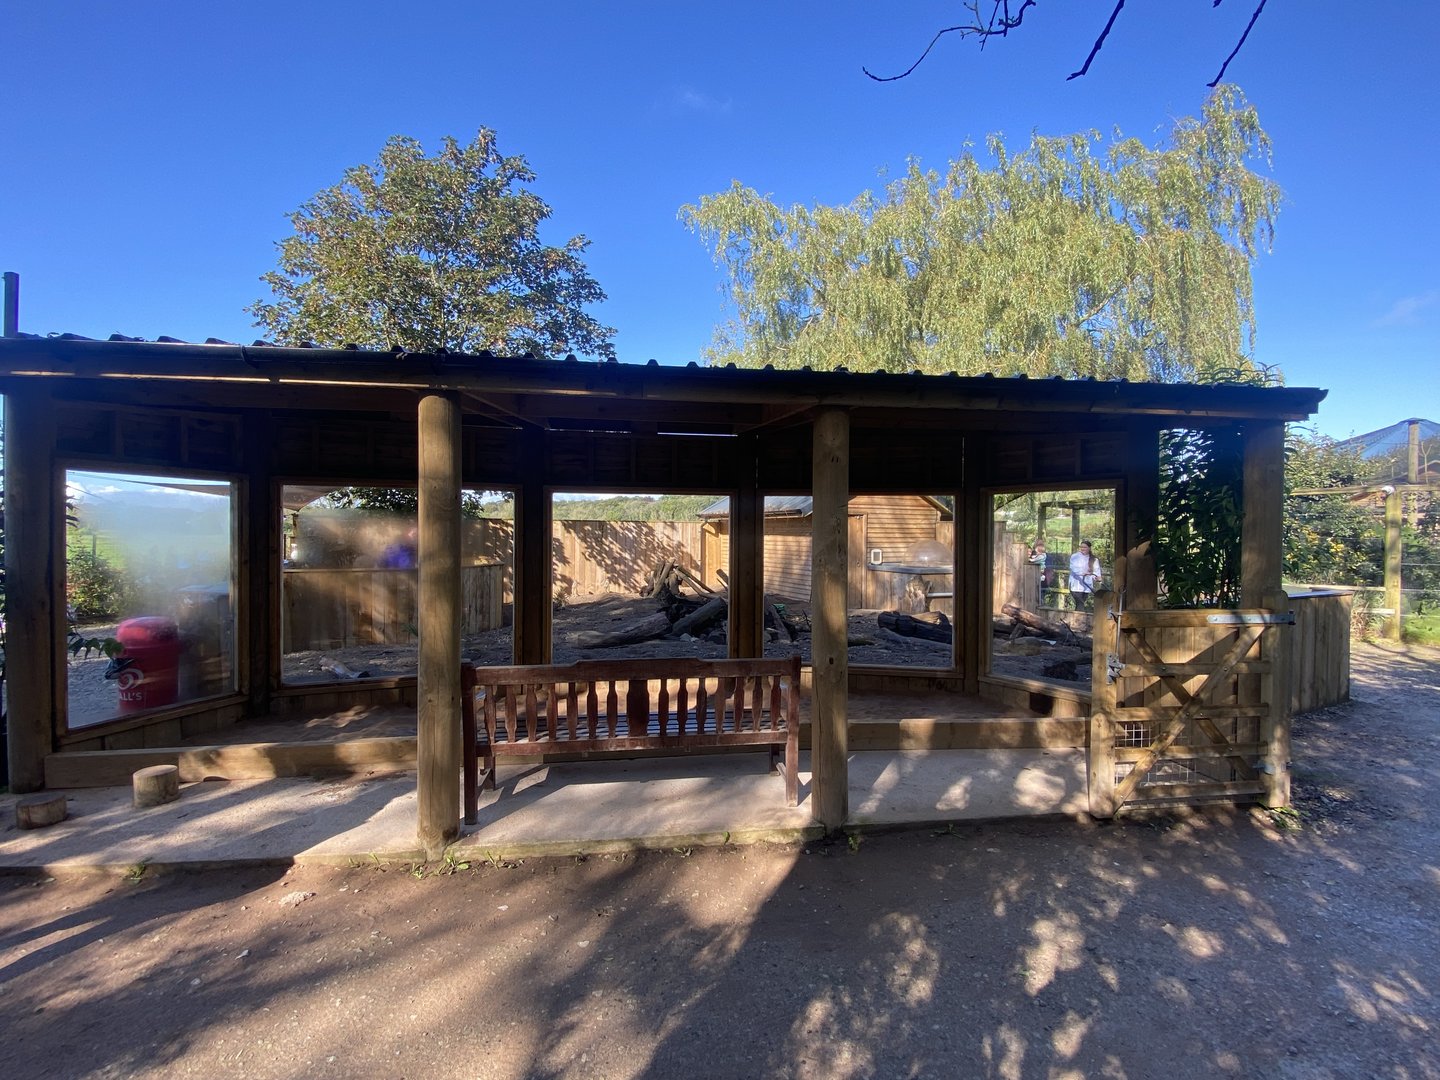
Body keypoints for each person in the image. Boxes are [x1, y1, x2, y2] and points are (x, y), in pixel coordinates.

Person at [1068, 540, 1101, 611]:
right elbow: (1073, 568)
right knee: (1080, 603)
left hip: (1086, 586)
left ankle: (1077, 617)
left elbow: (1096, 571)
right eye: (1081, 547)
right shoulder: (1075, 556)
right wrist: (1083, 573)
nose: (1082, 549)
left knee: (1080, 604)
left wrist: (1097, 577)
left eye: (1085, 547)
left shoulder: (1094, 559)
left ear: (1089, 548)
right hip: (1075, 585)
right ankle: (1080, 617)